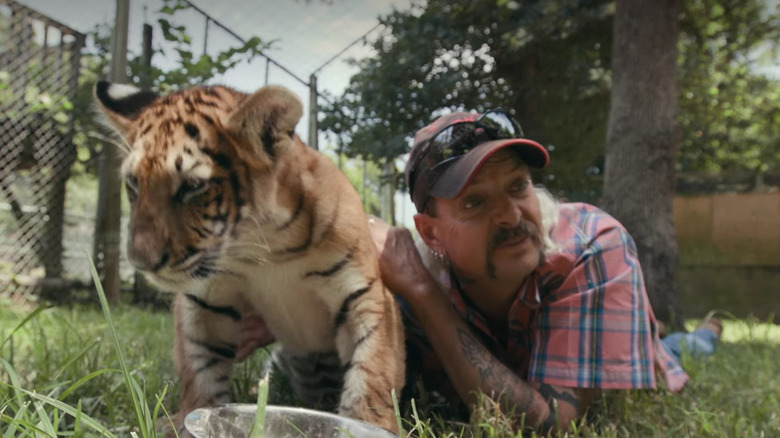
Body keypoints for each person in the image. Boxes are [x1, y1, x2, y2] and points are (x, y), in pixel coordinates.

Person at [364, 109, 722, 434]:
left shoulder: (592, 244)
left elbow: (549, 426)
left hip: (629, 355)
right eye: (475, 201)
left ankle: (697, 333)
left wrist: (425, 296)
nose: (512, 216)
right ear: (430, 232)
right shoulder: (407, 272)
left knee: (680, 348)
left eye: (518, 186)